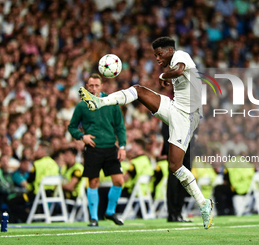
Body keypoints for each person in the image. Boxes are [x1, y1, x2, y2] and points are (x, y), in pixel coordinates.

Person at [79, 37, 213, 229]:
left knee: (175, 166)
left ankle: (203, 204)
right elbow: (177, 75)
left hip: (187, 117)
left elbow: (179, 70)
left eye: (159, 54)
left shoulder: (180, 55)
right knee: (139, 90)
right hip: (174, 108)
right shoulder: (172, 63)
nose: (157, 59)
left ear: (169, 50)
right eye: (155, 55)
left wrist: (163, 77)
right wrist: (168, 78)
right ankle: (100, 101)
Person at [69, 73, 127, 227]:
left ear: (102, 86)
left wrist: (122, 146)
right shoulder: (82, 105)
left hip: (110, 148)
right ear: (87, 87)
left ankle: (110, 211)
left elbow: (120, 126)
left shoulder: (111, 102)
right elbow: (72, 127)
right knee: (93, 182)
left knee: (119, 180)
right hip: (93, 148)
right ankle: (94, 218)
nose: (93, 88)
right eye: (91, 86)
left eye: (96, 85)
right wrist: (82, 137)